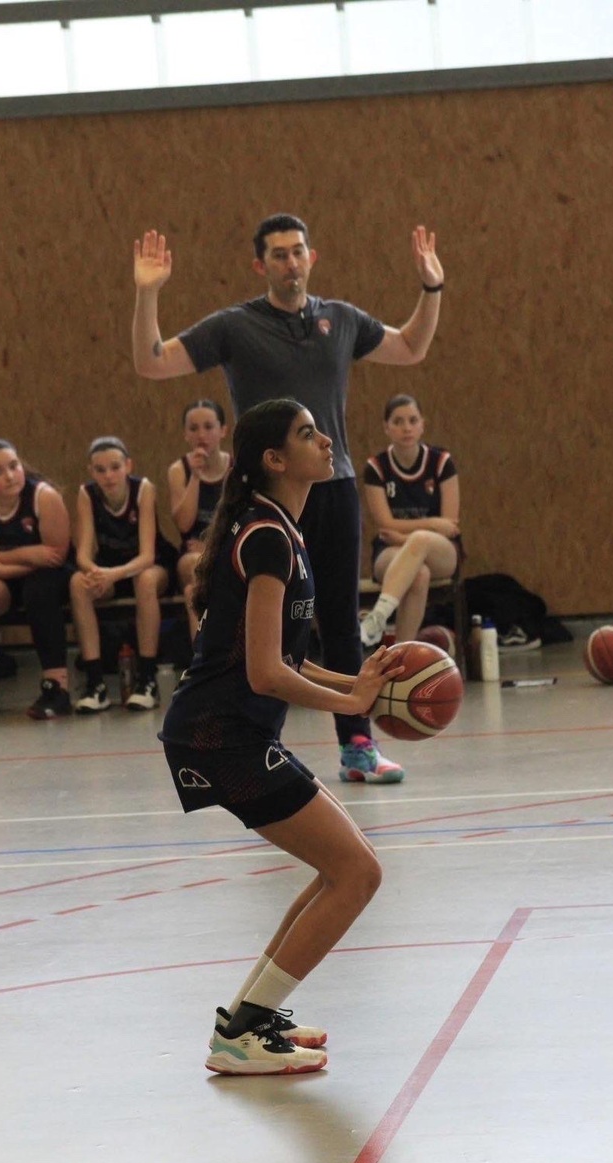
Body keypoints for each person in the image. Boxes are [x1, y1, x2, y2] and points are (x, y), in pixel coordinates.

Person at [132, 213, 445, 784]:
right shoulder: (235, 326)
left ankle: (357, 746)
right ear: (261, 265)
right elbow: (151, 361)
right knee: (260, 630)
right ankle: (242, 738)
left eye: (298, 251)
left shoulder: (341, 320)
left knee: (339, 620)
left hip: (333, 489)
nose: (290, 262)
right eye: (278, 254)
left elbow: (410, 347)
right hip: (266, 497)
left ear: (311, 257)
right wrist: (148, 293)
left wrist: (432, 287)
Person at [160, 398, 401, 1076]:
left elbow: (286, 658)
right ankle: (241, 1037)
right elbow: (266, 673)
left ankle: (249, 1020)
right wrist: (350, 700)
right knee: (357, 873)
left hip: (233, 732)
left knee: (343, 867)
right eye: (307, 434)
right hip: (221, 736)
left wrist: (358, 682)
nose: (325, 441)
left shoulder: (277, 528)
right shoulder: (265, 537)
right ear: (274, 459)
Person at [0, 439, 72, 723]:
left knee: (37, 590)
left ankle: (56, 688)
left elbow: (55, 555)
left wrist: (2, 562)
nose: (9, 476)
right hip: (3, 578)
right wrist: (28, 556)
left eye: (14, 466)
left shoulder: (43, 496)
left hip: (48, 577)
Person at [70, 436, 177, 713]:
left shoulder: (143, 489)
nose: (108, 475)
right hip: (110, 568)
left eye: (115, 467)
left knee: (145, 581)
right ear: (91, 472)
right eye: (100, 469)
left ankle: (148, 680)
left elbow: (147, 556)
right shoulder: (87, 494)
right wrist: (94, 572)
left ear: (128, 465)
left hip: (149, 566)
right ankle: (95, 684)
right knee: (78, 583)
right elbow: (82, 554)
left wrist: (112, 575)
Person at [360, 393, 461, 647]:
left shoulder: (441, 462)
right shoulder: (376, 467)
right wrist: (431, 524)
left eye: (413, 420)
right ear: (386, 427)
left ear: (422, 424)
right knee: (418, 574)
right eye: (398, 421)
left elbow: (449, 525)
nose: (406, 428)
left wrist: (407, 536)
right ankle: (402, 654)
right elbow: (385, 524)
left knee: (421, 540)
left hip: (439, 550)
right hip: (390, 549)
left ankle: (379, 614)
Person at [167, 399, 229, 640]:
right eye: (193, 428)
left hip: (228, 549)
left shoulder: (235, 469)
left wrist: (212, 547)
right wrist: (195, 476)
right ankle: (203, 654)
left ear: (223, 430)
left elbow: (244, 521)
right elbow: (184, 524)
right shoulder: (179, 470)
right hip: (192, 553)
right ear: (185, 434)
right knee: (197, 567)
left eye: (208, 427)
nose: (201, 435)